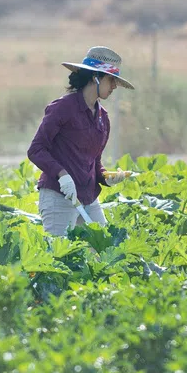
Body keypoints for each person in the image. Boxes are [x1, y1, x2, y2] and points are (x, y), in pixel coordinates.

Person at [26, 46, 136, 236]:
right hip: (59, 195)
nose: (114, 86)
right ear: (96, 77)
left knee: (105, 251)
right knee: (58, 259)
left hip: (88, 197)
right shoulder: (63, 108)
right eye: (111, 80)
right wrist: (62, 174)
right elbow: (36, 149)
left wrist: (106, 177)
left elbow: (94, 162)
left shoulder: (103, 117)